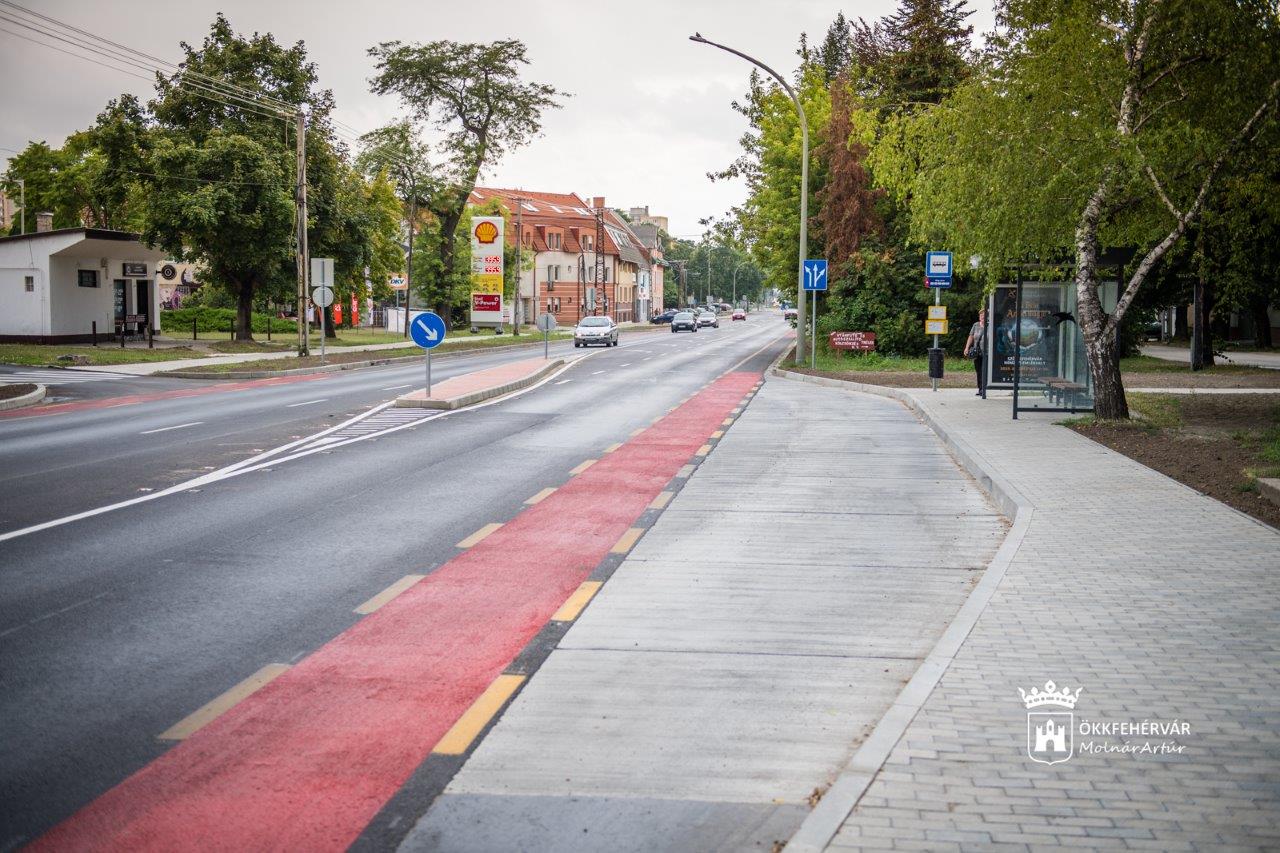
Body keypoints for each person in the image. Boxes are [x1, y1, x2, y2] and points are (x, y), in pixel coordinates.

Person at [964, 307, 987, 398]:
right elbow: (971, 337)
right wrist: (967, 348)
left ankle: (983, 388)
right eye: (981, 315)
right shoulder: (976, 325)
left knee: (984, 370)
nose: (982, 317)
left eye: (984, 315)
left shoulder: (990, 325)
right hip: (977, 352)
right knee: (978, 371)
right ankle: (980, 388)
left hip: (987, 352)